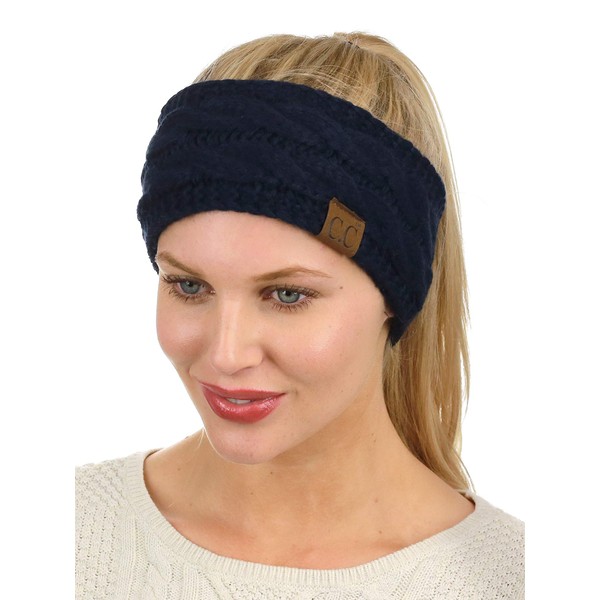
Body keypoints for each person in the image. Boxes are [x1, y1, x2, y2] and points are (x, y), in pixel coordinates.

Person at [75, 32, 524, 599]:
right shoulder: (65, 533)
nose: (226, 355)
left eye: (287, 295)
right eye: (189, 285)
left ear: (396, 295)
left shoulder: (515, 580)